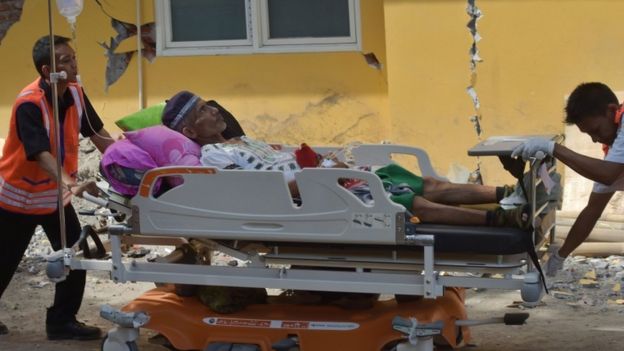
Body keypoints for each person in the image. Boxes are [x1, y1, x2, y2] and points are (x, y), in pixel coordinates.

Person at [161, 90, 536, 229]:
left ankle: (509, 191)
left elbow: (286, 158)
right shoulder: (213, 154)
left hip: (330, 177)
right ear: (192, 133)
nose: (213, 111)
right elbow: (258, 188)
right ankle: (500, 218)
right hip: (317, 195)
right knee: (414, 204)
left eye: (209, 105)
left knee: (428, 184)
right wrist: (321, 174)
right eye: (202, 112)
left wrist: (325, 162)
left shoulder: (245, 139)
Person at [0, 35, 115, 339]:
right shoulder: (29, 102)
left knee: (76, 254)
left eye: (73, 57)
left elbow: (97, 133)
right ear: (46, 69)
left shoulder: (75, 93)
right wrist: (71, 183)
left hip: (54, 198)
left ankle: (62, 322)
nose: (74, 64)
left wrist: (124, 164)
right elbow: (39, 153)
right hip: (18, 198)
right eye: (65, 61)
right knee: (4, 261)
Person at [512, 82, 624, 276]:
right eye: (589, 134)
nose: (595, 139)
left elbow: (607, 174)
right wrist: (560, 256)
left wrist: (553, 149)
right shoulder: (615, 154)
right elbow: (592, 211)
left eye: (596, 130)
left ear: (611, 111)